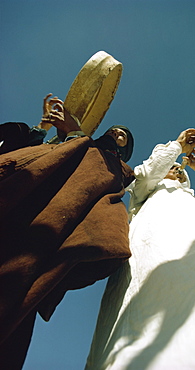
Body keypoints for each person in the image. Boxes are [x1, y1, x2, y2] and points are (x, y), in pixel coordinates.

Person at [85, 128, 195, 370]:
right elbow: (149, 172)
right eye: (169, 164)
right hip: (158, 239)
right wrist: (178, 147)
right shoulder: (143, 195)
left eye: (178, 167)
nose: (175, 168)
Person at [0, 98, 134, 369]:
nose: (118, 134)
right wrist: (45, 129)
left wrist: (75, 136)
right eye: (116, 130)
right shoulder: (79, 143)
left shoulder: (115, 168)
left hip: (37, 234)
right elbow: (37, 156)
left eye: (124, 137)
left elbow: (91, 178)